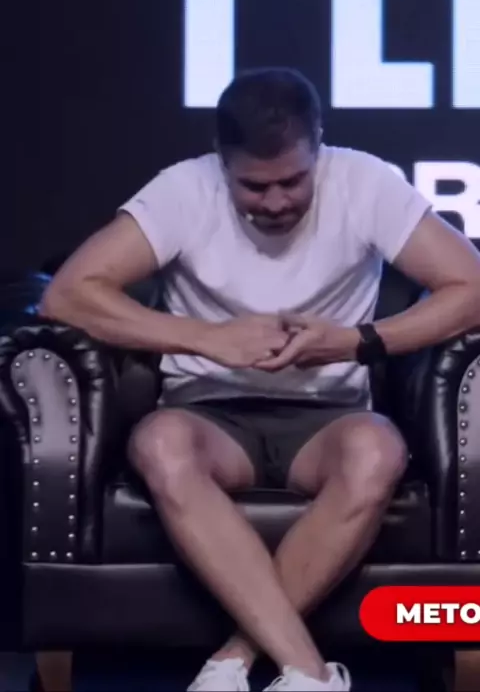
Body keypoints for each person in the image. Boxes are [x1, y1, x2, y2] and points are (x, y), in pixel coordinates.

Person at [41, 68, 480, 692]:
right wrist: (206, 338)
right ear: (222, 162)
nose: (275, 202)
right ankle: (309, 673)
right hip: (209, 415)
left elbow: (471, 285)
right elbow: (68, 294)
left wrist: (358, 341)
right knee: (161, 444)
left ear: (318, 146)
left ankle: (234, 662)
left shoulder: (364, 182)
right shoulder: (184, 190)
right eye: (253, 185)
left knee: (377, 450)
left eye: (292, 181)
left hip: (327, 420)